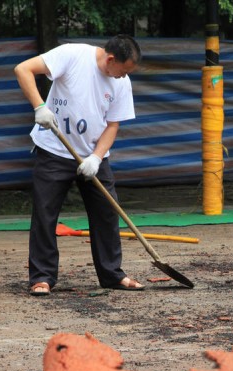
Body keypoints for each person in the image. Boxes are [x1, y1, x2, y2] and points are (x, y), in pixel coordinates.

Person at [14, 34, 144, 296]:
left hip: (93, 155)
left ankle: (112, 274)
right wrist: (39, 106)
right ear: (110, 59)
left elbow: (113, 125)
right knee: (45, 214)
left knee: (107, 213)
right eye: (123, 71)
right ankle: (42, 277)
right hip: (54, 149)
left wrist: (96, 157)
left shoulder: (122, 83)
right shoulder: (72, 55)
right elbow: (23, 69)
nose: (123, 77)